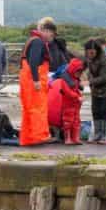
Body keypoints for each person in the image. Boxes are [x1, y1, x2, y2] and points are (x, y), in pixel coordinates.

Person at [17, 18, 53, 146]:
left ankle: (27, 138)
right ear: (45, 31)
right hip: (34, 80)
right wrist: (36, 80)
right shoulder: (38, 42)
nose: (51, 37)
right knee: (38, 109)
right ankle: (39, 136)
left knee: (28, 109)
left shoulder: (32, 40)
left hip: (26, 80)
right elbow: (33, 61)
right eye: (51, 34)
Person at [84, 38, 106, 145]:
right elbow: (90, 72)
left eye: (92, 52)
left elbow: (103, 77)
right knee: (96, 110)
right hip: (96, 88)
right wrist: (90, 80)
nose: (90, 54)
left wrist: (89, 82)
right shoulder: (89, 59)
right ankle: (98, 133)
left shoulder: (105, 60)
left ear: (97, 50)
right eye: (88, 52)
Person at [51, 57, 85, 145]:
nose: (79, 74)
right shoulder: (64, 80)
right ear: (73, 70)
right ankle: (68, 138)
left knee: (76, 121)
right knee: (67, 121)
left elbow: (77, 90)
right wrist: (77, 97)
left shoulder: (75, 79)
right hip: (68, 105)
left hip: (76, 105)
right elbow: (68, 92)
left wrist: (80, 96)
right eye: (78, 72)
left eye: (80, 72)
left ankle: (75, 138)